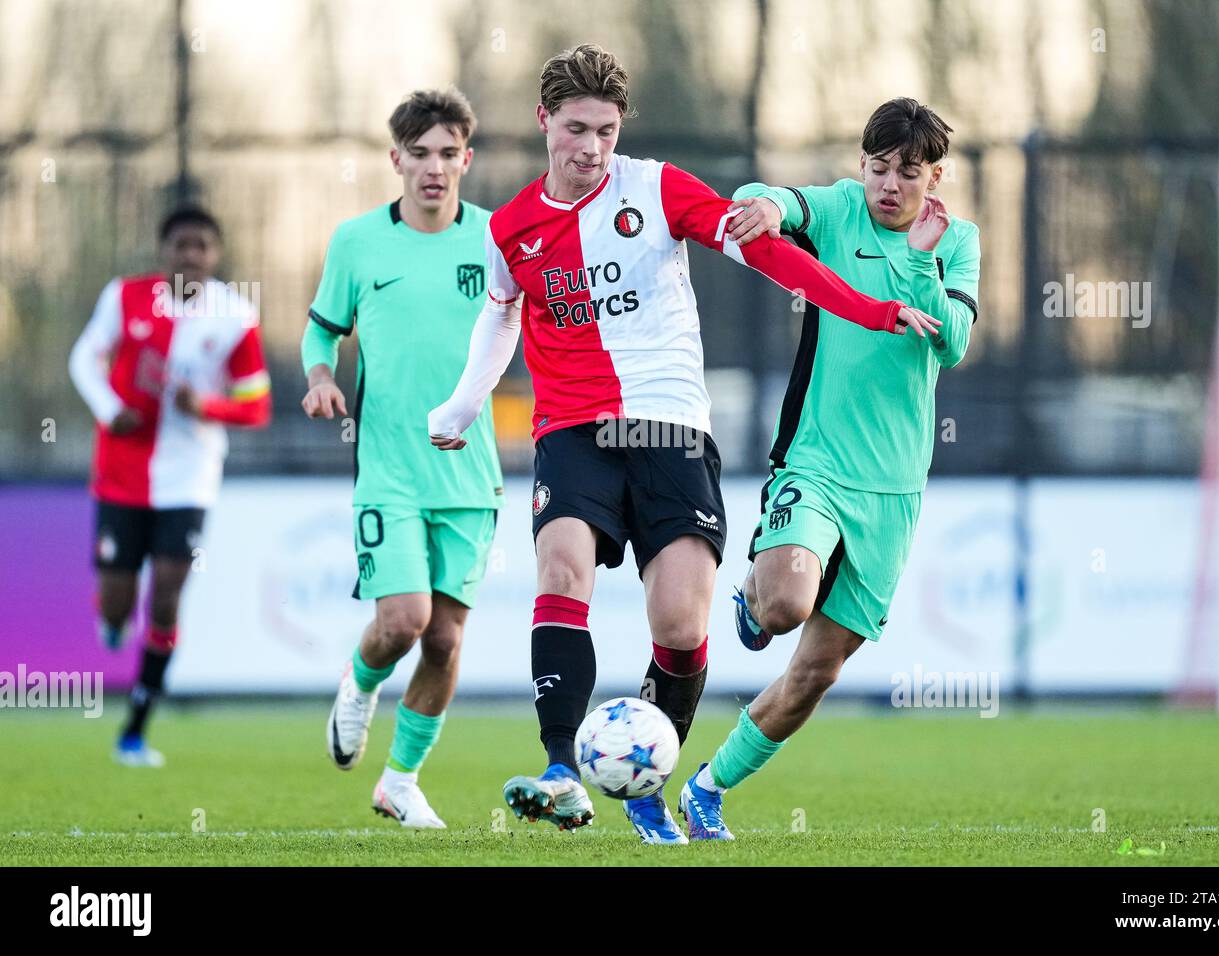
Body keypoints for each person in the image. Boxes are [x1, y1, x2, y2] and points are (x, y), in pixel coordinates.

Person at [427, 46, 938, 844]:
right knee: (560, 565)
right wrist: (462, 404)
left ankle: (646, 785)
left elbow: (766, 253)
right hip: (572, 430)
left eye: (605, 129)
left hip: (671, 429)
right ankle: (562, 768)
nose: (590, 147)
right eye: (574, 129)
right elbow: (500, 316)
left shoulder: (658, 188)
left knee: (676, 625)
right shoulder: (511, 227)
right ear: (543, 123)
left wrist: (870, 310)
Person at [678, 97, 981, 840]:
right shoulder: (839, 211)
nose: (888, 185)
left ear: (934, 177)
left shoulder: (958, 242)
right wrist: (769, 210)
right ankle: (752, 599)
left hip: (895, 490)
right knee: (783, 605)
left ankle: (707, 788)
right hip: (815, 462)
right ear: (861, 166)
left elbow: (953, 345)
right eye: (877, 168)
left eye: (907, 173)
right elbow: (770, 197)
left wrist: (917, 263)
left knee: (815, 675)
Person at [303, 88, 503, 829]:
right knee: (404, 621)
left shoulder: (494, 238)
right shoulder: (358, 243)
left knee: (447, 638)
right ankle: (360, 685)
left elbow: (533, 325)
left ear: (466, 159)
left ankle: (400, 780)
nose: (434, 168)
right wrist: (321, 377)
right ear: (395, 160)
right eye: (419, 153)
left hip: (471, 474)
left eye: (448, 153)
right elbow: (321, 332)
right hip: (389, 473)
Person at [69, 204, 271, 767]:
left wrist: (203, 406)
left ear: (216, 254)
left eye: (202, 245)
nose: (191, 255)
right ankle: (111, 621)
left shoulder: (234, 315)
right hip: (122, 471)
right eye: (181, 244)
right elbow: (84, 358)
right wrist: (110, 410)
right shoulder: (125, 296)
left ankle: (134, 729)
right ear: (164, 252)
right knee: (117, 603)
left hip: (190, 478)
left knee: (165, 599)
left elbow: (256, 407)